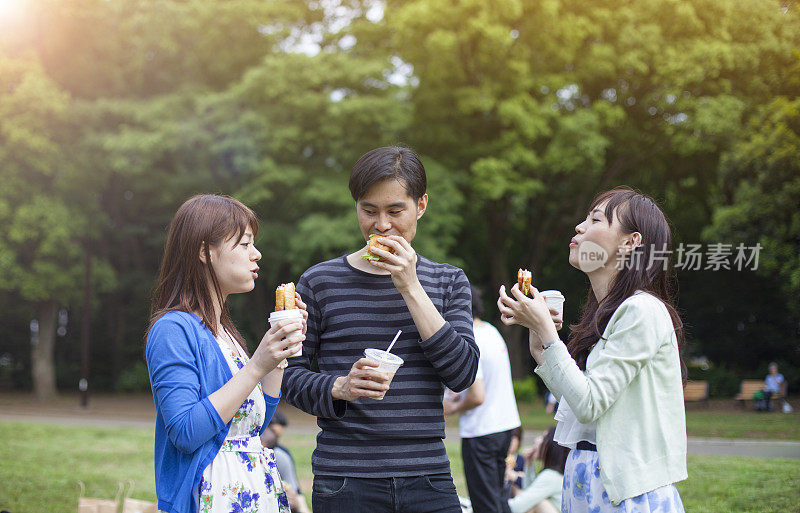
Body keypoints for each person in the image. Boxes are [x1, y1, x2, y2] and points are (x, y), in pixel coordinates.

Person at [282, 146, 480, 513]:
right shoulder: (319, 282)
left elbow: (462, 374)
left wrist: (410, 286)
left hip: (428, 476)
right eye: (368, 211)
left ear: (421, 205)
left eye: (395, 211)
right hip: (345, 479)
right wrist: (340, 387)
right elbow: (290, 378)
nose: (382, 225)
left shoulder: (449, 281)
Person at [498, 187, 688, 512]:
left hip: (625, 491)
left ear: (631, 242)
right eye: (585, 217)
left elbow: (590, 404)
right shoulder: (605, 315)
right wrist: (538, 332)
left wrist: (546, 329)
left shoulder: (642, 311)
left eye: (595, 219)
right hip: (584, 478)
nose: (580, 227)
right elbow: (574, 391)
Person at [145, 194, 306, 513]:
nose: (256, 254)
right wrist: (257, 366)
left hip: (254, 492)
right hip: (211, 499)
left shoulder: (225, 333)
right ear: (205, 251)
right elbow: (186, 432)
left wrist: (278, 358)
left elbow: (251, 427)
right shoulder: (173, 329)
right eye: (245, 244)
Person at [443, 285, 521, 513]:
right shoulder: (490, 331)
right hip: (505, 427)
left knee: (485, 505)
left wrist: (451, 407)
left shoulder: (470, 339)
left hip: (482, 432)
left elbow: (477, 396)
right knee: (499, 500)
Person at [507, 427, 569, 513]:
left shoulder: (550, 476)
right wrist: (528, 465)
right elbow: (527, 491)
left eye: (543, 437)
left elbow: (517, 506)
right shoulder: (555, 475)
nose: (536, 440)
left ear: (552, 446)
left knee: (536, 502)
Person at [263, 412, 312, 513]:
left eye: (277, 436)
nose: (272, 438)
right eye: (271, 431)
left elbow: (296, 493)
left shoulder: (280, 455)